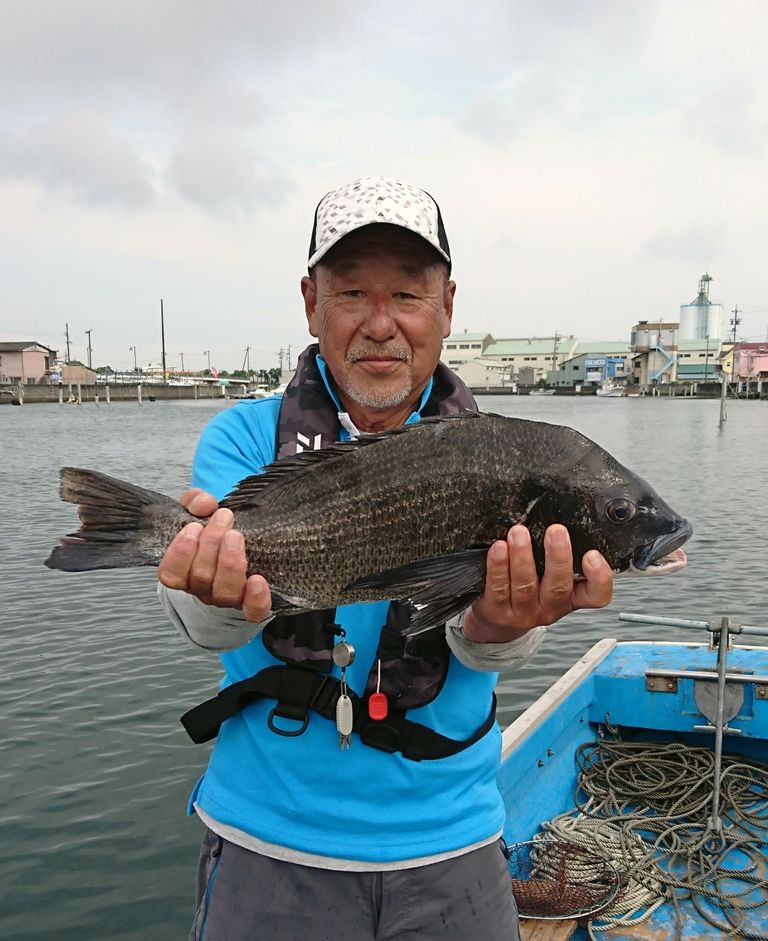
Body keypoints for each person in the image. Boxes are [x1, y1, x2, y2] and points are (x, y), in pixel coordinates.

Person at [158, 176, 613, 941]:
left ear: (446, 306)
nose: (380, 323)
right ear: (311, 302)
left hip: (452, 841)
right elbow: (210, 630)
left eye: (406, 294)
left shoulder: (503, 454)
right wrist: (215, 592)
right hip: (267, 838)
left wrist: (504, 622)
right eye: (351, 294)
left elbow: (484, 644)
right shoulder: (243, 439)